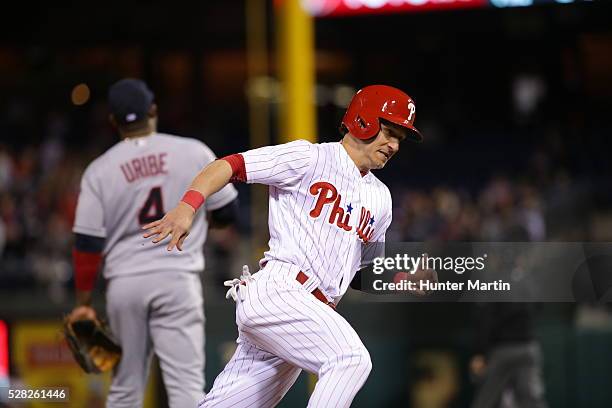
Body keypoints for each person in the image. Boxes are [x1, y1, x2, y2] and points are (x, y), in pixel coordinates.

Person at [144, 85, 434, 407]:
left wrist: (399, 282)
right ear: (363, 119)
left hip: (306, 316)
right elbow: (231, 165)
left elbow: (357, 273)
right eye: (390, 132)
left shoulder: (381, 198)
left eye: (400, 139)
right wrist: (187, 206)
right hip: (281, 290)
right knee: (350, 359)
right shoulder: (309, 158)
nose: (394, 145)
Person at [67, 78, 239, 408]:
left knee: (125, 389)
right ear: (153, 110)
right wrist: (205, 221)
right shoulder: (193, 151)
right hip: (177, 277)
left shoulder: (99, 170)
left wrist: (83, 301)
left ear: (113, 121)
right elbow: (228, 211)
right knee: (186, 388)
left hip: (125, 284)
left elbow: (87, 242)